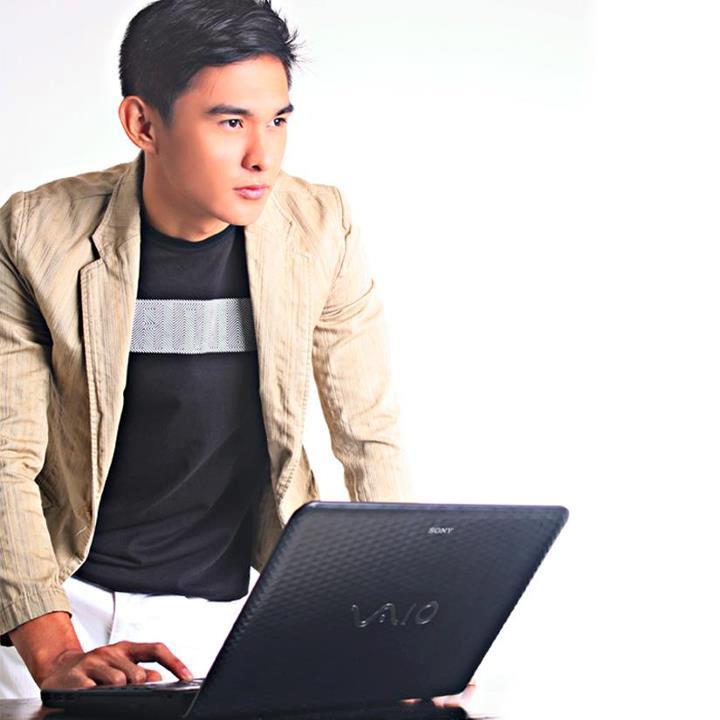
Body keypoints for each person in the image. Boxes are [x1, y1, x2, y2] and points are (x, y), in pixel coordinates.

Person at [0, 0, 416, 699]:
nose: (264, 155)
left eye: (278, 120)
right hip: (53, 608)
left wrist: (404, 632)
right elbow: (4, 455)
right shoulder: (36, 234)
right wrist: (53, 650)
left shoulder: (321, 228)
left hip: (232, 617)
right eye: (230, 122)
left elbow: (369, 435)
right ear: (143, 124)